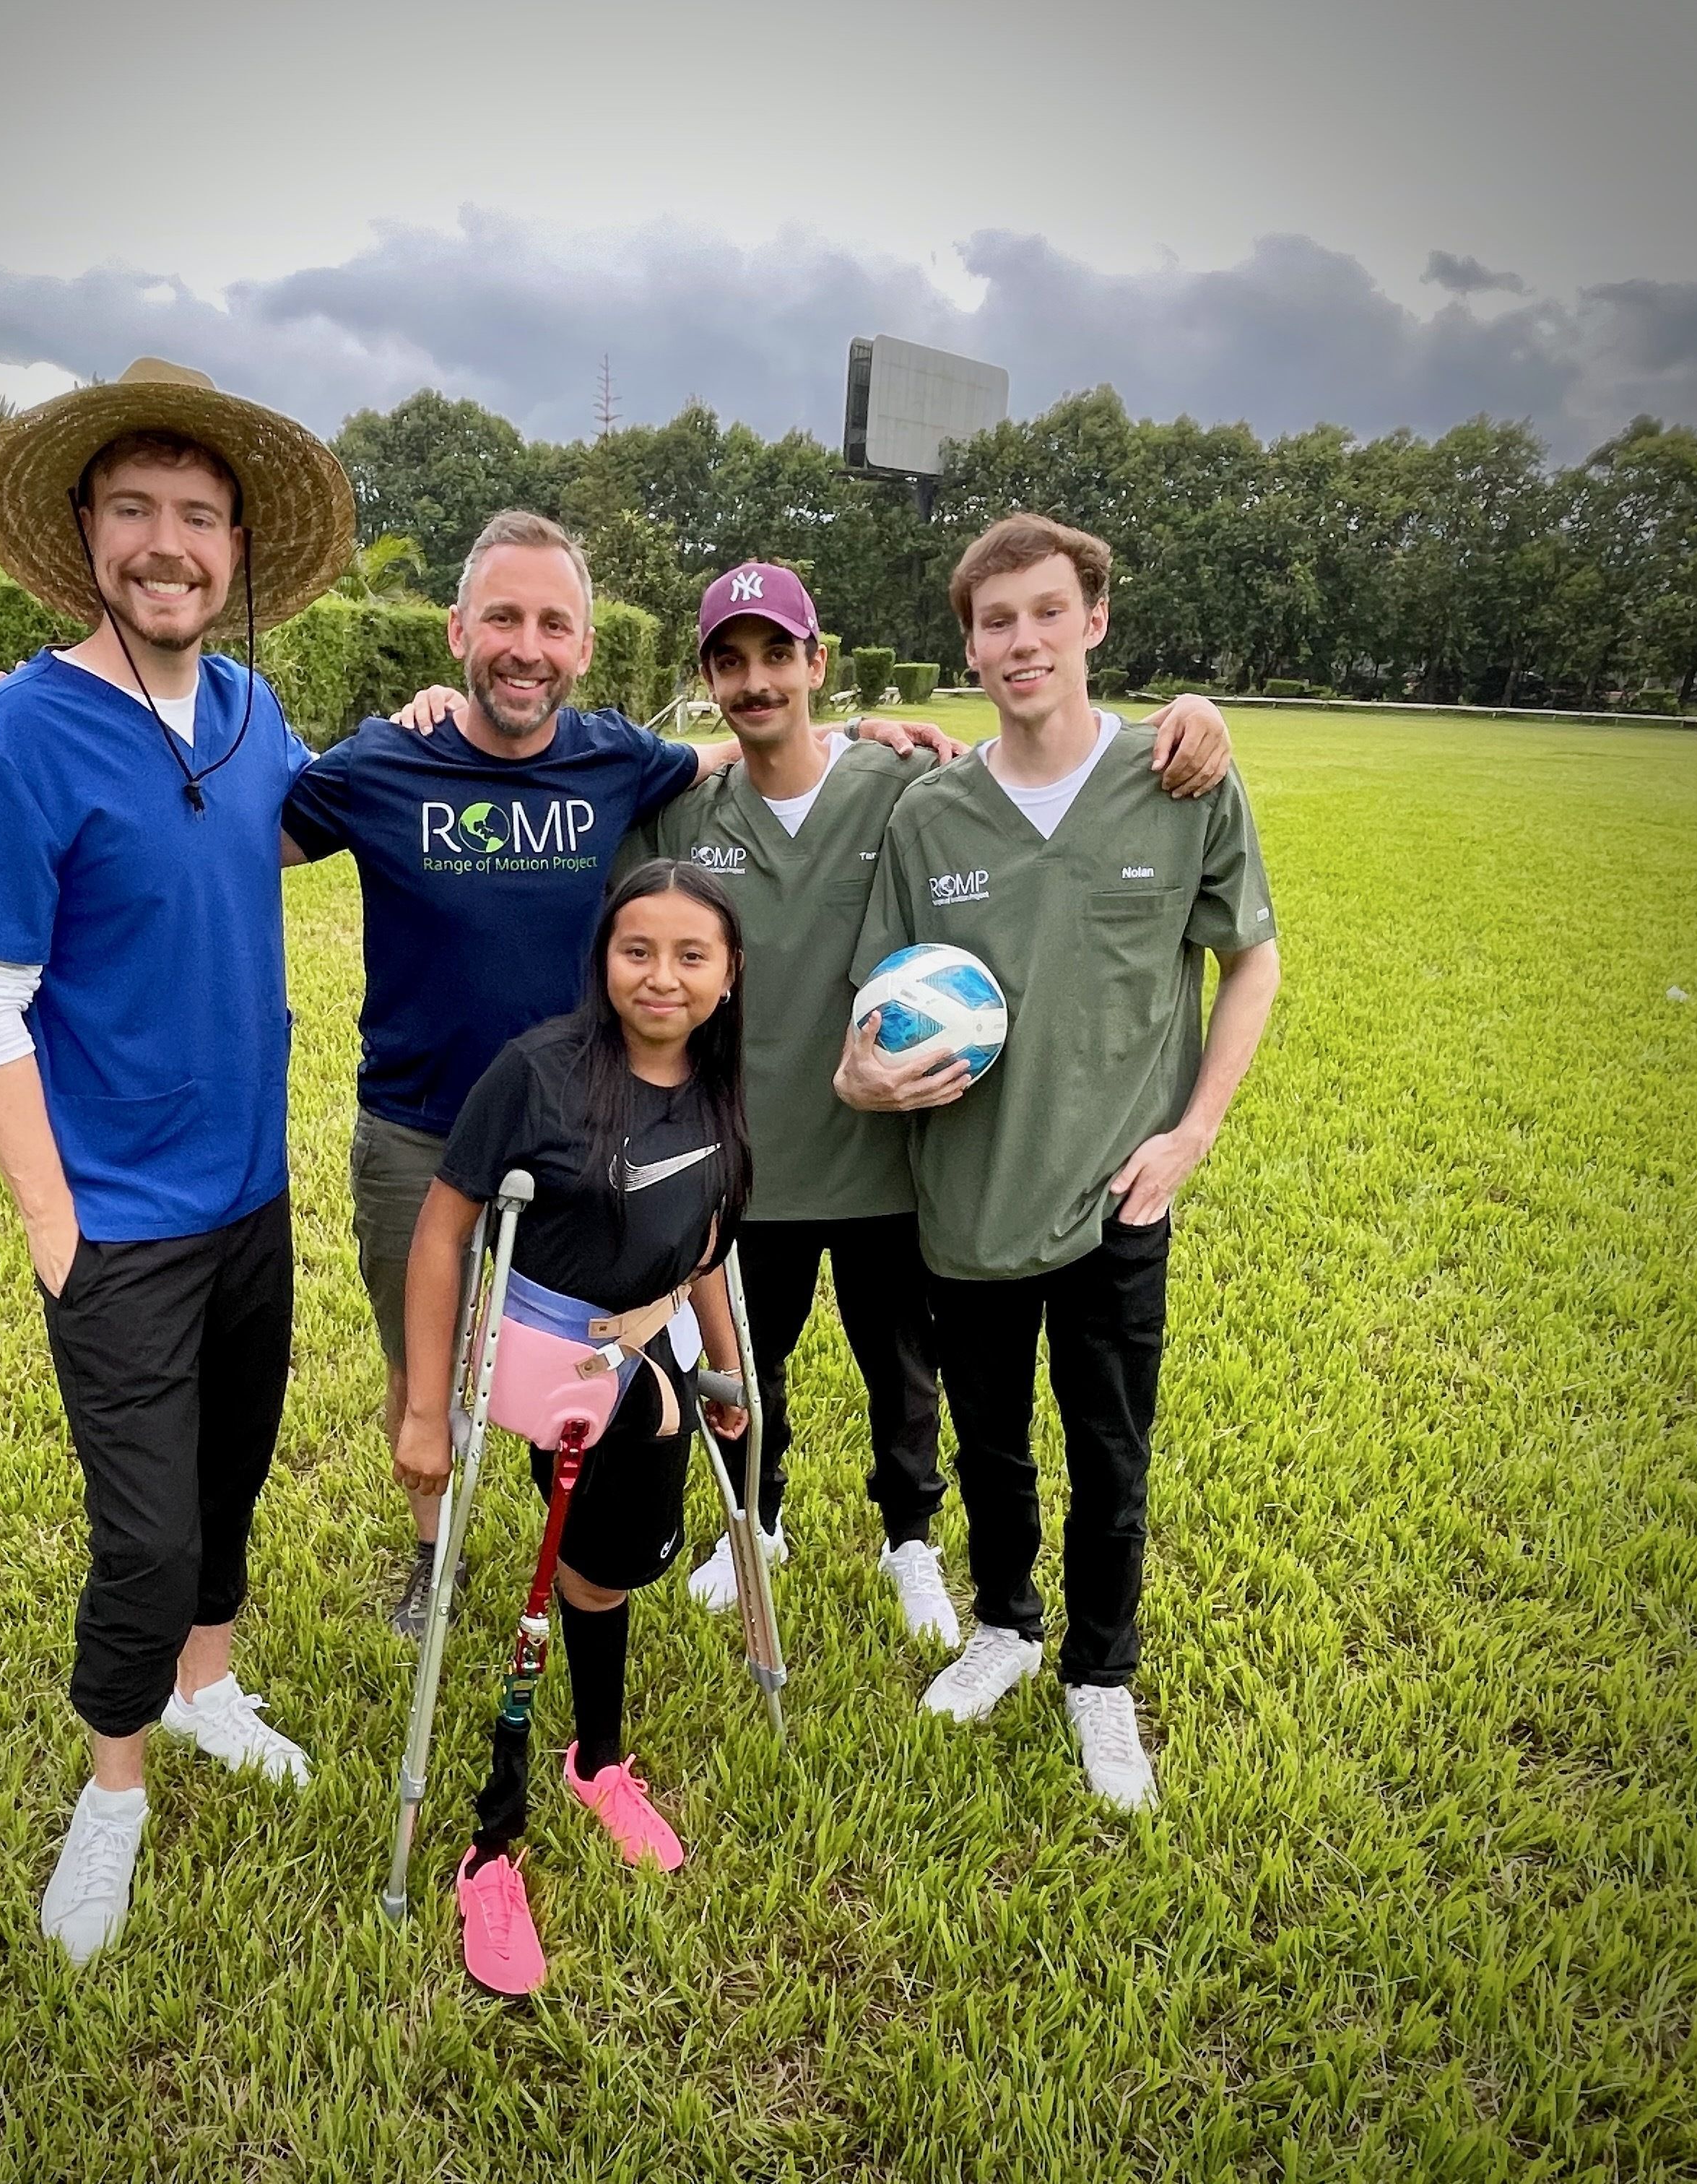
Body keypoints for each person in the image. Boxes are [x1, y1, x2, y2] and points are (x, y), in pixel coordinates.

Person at [282, 509, 955, 1640]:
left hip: (595, 1129)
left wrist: (865, 734)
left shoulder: (614, 758)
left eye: (555, 623)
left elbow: (751, 742)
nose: (526, 646)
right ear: (457, 630)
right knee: (426, 1373)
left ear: (586, 649)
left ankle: (588, 1543)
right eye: (502, 617)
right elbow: (236, 837)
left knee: (592, 1359)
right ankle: (428, 1552)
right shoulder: (383, 762)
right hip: (417, 1132)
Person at [0, 358, 355, 1962]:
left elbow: (294, 823)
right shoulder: (9, 738)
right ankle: (113, 1792)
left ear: (235, 549)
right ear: (86, 538)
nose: (168, 545)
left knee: (230, 1477)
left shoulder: (249, 712)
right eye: (135, 512)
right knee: (145, 1533)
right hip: (116, 1225)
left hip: (252, 1193)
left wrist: (440, 733)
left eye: (197, 516)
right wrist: (55, 1225)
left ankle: (209, 1691)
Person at [622, 562, 1234, 1648]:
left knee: (904, 1370)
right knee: (748, 1361)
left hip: (888, 1154)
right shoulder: (682, 811)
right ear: (710, 680)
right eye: (731, 661)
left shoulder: (899, 783)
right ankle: (752, 1522)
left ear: (818, 663)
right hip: (747, 1155)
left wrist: (1183, 714)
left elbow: (1027, 771)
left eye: (779, 655)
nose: (758, 681)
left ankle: (910, 1537)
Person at [841, 512, 1280, 1810]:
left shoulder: (1180, 776)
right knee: (989, 1445)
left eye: (1045, 613)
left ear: (1093, 622)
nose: (1021, 640)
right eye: (995, 621)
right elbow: (876, 1003)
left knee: (1109, 1453)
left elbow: (1249, 955)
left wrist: (1193, 1133)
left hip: (1118, 1197)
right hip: (968, 1195)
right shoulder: (933, 817)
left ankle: (1100, 1675)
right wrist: (862, 1072)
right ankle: (1006, 1627)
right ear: (969, 647)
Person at [391, 859, 754, 1995]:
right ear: (604, 959)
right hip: (546, 1363)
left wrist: (730, 1364)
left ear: (729, 974)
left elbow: (703, 1245)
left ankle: (596, 1760)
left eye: (692, 955)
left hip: (650, 1366)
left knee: (609, 1575)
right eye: (637, 949)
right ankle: (491, 1838)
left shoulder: (722, 1086)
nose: (662, 976)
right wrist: (422, 1406)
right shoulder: (535, 1073)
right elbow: (444, 1234)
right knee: (558, 1576)